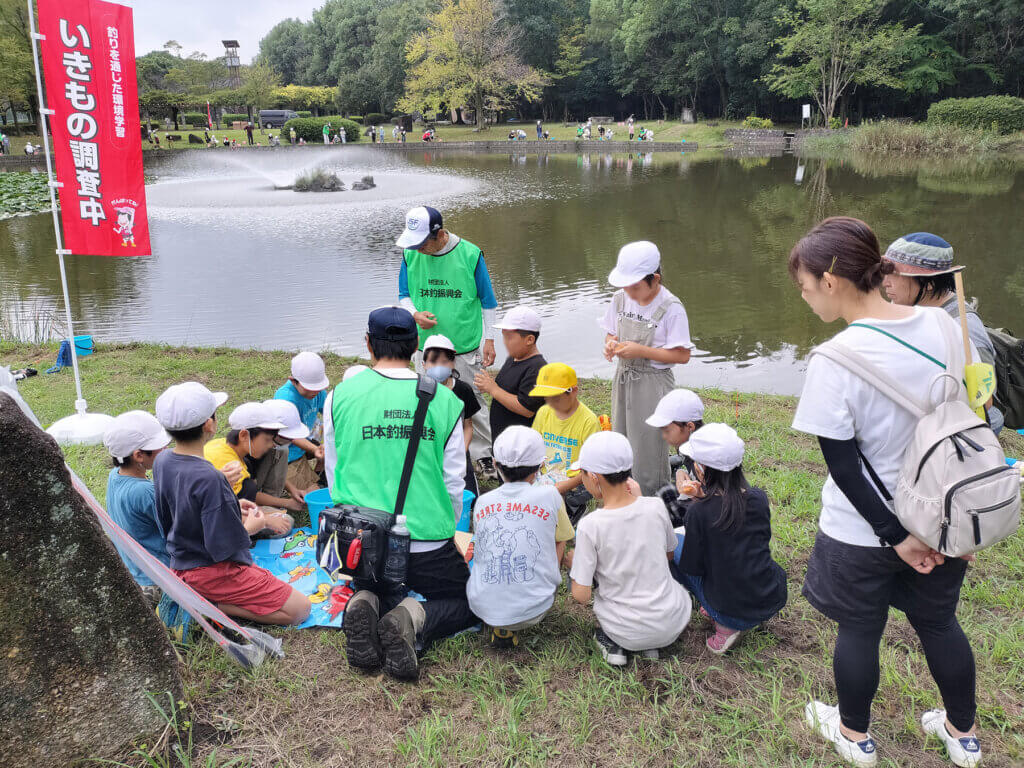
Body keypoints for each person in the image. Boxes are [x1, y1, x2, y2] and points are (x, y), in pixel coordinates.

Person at [789, 217, 983, 768]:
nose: (804, 297)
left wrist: (895, 535)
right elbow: (966, 415)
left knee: (859, 627)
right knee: (940, 623)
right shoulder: (944, 326)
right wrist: (927, 530)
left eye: (803, 286)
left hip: (862, 530)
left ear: (831, 280)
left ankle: (855, 736)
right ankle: (962, 734)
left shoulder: (833, 359)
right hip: (941, 516)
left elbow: (845, 467)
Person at [326, 306, 473, 681]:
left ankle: (366, 598)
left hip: (361, 545)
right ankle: (410, 617)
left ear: (368, 344)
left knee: (377, 580)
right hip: (425, 539)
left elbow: (334, 469)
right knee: (470, 601)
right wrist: (448, 528)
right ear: (416, 345)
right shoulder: (445, 402)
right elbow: (454, 482)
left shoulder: (339, 396)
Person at [153, 382, 311, 626]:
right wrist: (254, 526)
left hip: (181, 561)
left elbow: (182, 509)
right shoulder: (210, 477)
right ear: (209, 424)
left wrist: (233, 506)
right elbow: (224, 547)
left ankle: (200, 596)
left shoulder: (162, 460)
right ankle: (210, 606)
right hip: (210, 570)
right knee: (301, 609)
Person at [569, 431, 692, 666]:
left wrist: (573, 564)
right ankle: (652, 646)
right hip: (671, 622)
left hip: (624, 629)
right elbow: (667, 554)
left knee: (582, 577)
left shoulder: (589, 525)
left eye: (582, 473)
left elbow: (581, 595)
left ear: (594, 477)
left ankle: (613, 644)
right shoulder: (655, 506)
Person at [396, 205, 499, 472]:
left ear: (440, 235)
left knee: (472, 398)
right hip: (426, 347)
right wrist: (415, 314)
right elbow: (403, 294)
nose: (417, 249)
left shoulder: (470, 254)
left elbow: (488, 302)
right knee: (428, 397)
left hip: (464, 345)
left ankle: (483, 455)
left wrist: (489, 339)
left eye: (422, 243)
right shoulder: (411, 255)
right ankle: (435, 447)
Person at [670, 423, 787, 654]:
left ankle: (724, 625)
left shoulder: (698, 513)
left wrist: (696, 508)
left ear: (701, 469)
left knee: (672, 543)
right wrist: (703, 498)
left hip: (730, 608)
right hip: (770, 597)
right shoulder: (758, 498)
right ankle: (729, 614)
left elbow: (693, 566)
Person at [881, 232, 1003, 433]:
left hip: (954, 424)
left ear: (929, 284)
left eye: (895, 275)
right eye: (885, 273)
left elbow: (984, 402)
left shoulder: (964, 327)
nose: (885, 282)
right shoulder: (909, 305)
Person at [465, 426, 575, 647]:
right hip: (536, 607)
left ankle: (501, 620)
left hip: (481, 606)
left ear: (495, 465)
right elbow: (562, 537)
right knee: (560, 537)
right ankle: (544, 581)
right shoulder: (550, 495)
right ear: (541, 465)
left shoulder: (483, 502)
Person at [601, 241, 694, 495]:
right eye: (625, 285)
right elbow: (610, 333)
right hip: (624, 378)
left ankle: (654, 497)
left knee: (649, 445)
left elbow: (682, 355)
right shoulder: (620, 299)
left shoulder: (671, 307)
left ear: (654, 278)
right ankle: (622, 493)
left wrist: (641, 351)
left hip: (653, 383)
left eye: (635, 286)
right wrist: (611, 346)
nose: (629, 292)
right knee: (621, 437)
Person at [103, 411, 173, 606]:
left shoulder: (115, 475)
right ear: (139, 455)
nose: (166, 447)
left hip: (134, 570)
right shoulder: (145, 492)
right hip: (157, 579)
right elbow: (176, 534)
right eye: (160, 446)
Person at [203, 402, 301, 537]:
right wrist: (267, 518)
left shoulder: (224, 445)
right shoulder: (232, 468)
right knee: (287, 522)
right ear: (244, 435)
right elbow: (228, 509)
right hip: (221, 520)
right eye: (266, 440)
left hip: (236, 506)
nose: (270, 445)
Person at [529, 362, 601, 524]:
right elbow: (534, 447)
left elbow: (591, 469)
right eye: (547, 398)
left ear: (573, 391)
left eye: (556, 397)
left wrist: (561, 487)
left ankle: (574, 507)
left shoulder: (588, 421)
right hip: (547, 474)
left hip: (577, 480)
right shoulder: (544, 413)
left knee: (566, 496)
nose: (551, 403)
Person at [475, 305, 547, 445]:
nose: (505, 342)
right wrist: (489, 385)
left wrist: (493, 389)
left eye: (509, 338)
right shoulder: (513, 358)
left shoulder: (537, 368)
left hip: (520, 445)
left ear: (529, 339)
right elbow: (507, 388)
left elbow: (527, 409)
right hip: (503, 438)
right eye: (503, 337)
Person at [423, 333, 480, 499]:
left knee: (469, 495)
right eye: (433, 361)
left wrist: (462, 451)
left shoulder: (463, 390)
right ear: (424, 364)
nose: (439, 366)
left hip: (459, 448)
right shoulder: (420, 391)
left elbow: (468, 426)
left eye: (444, 361)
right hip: (430, 449)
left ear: (453, 363)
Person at [645, 388, 704, 525]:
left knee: (659, 515)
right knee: (664, 493)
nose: (664, 436)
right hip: (700, 496)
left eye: (667, 430)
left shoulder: (704, 456)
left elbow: (720, 499)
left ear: (689, 426)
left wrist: (697, 494)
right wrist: (681, 473)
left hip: (711, 510)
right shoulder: (686, 444)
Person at [274, 351, 330, 493]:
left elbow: (331, 414)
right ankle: (302, 478)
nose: (315, 391)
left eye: (318, 387)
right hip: (287, 453)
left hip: (307, 439)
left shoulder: (318, 392)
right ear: (293, 381)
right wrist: (315, 449)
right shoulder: (286, 398)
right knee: (314, 494)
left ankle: (319, 473)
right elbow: (289, 435)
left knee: (330, 446)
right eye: (310, 388)